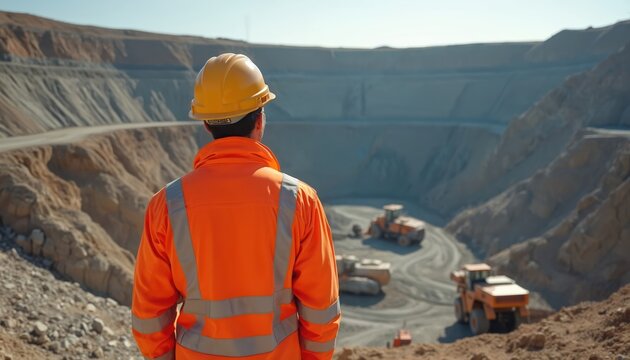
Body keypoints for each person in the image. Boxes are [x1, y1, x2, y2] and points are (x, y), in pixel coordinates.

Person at [131, 53, 340, 360]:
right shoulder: (300, 200)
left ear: (205, 124)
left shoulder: (166, 205)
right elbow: (321, 311)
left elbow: (149, 315)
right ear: (260, 118)